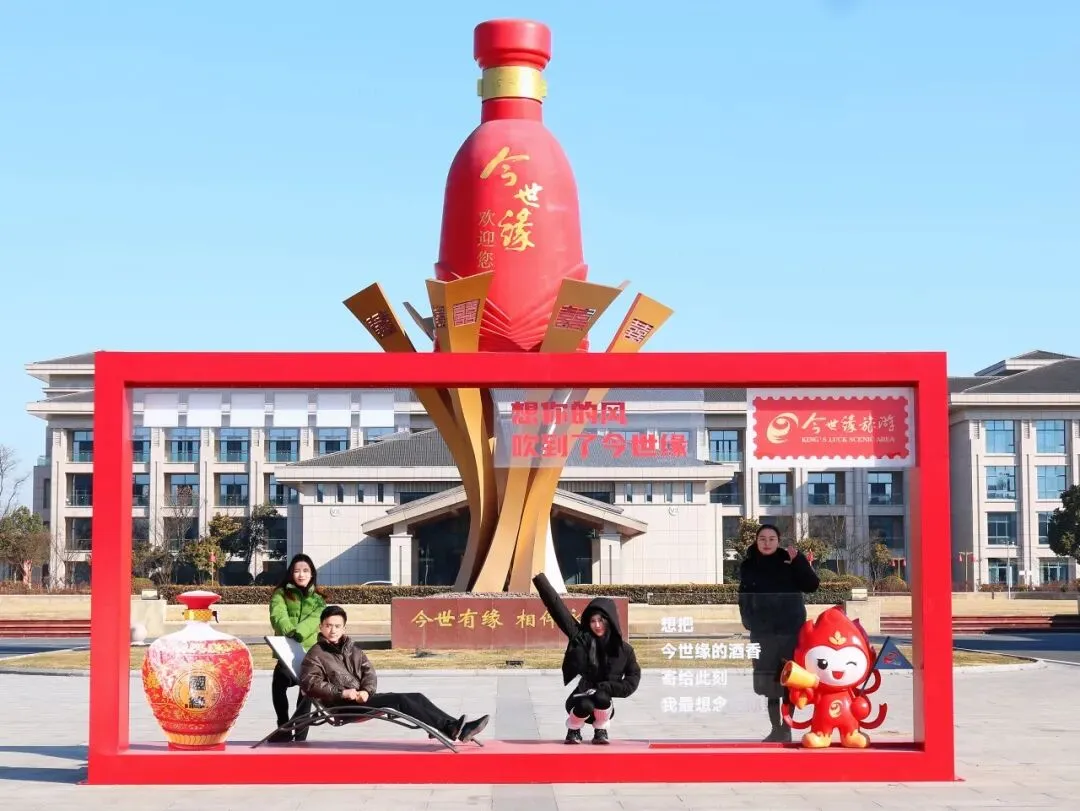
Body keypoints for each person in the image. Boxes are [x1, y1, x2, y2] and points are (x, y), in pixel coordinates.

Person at [299, 605, 490, 744]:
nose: (332, 630)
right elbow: (310, 684)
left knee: (416, 696)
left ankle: (453, 727)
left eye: (337, 626)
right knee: (400, 701)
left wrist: (366, 690)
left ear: (344, 628)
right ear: (321, 627)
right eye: (328, 625)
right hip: (343, 706)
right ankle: (453, 728)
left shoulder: (352, 649)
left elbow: (369, 672)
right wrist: (343, 693)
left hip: (362, 699)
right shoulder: (316, 654)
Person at [532, 572, 641, 745]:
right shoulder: (582, 638)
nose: (597, 625)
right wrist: (540, 581)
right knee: (585, 705)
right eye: (592, 621)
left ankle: (601, 730)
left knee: (602, 697)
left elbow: (632, 680)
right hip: (580, 698)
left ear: (610, 621)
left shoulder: (624, 650)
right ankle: (574, 729)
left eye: (601, 620)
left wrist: (607, 687)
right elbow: (558, 609)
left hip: (603, 702)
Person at [737, 523, 820, 743]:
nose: (767, 543)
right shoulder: (748, 565)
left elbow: (812, 585)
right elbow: (743, 595)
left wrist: (799, 561)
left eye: (771, 539)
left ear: (778, 541)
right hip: (763, 633)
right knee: (769, 682)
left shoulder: (789, 561)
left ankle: (787, 727)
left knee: (789, 680)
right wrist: (748, 621)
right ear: (756, 541)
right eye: (762, 539)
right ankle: (776, 728)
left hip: (789, 632)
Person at [267, 553, 326, 743]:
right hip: (286, 651)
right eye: (297, 571)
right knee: (278, 685)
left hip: (310, 655)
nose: (301, 574)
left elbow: (315, 620)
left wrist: (298, 633)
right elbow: (278, 615)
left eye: (305, 571)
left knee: (306, 695)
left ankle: (300, 736)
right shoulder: (281, 594)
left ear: (312, 574)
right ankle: (283, 726)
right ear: (291, 573)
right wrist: (289, 631)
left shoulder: (319, 599)